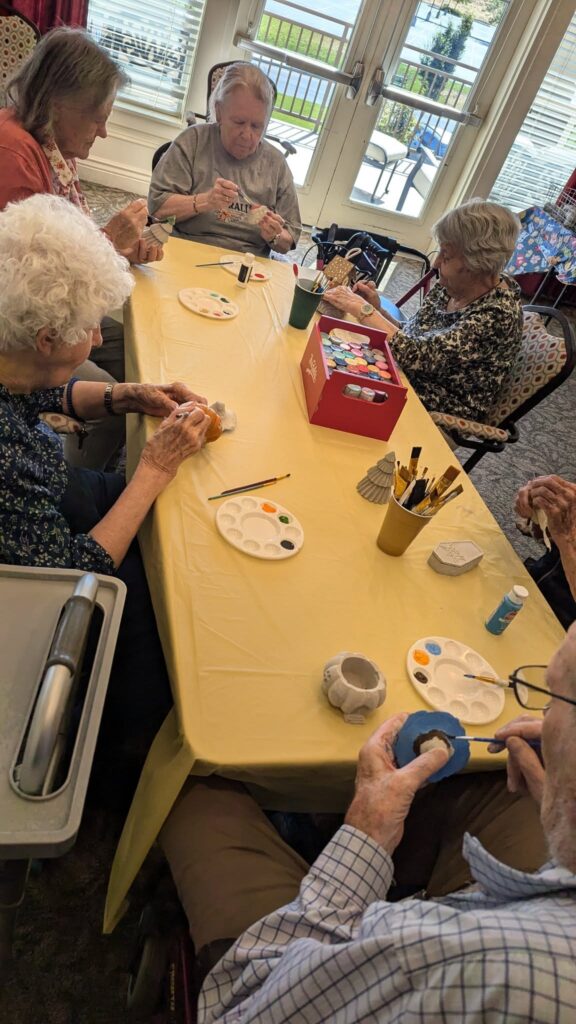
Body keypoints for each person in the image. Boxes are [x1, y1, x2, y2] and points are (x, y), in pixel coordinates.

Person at [159, 629, 576, 1021]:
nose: (541, 719)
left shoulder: (456, 957)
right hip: (475, 917)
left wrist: (366, 833)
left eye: (550, 698)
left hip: (267, 982)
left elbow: (248, 1007)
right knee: (485, 779)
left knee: (193, 784)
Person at [0, 193, 211, 772]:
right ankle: (129, 753)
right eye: (89, 328)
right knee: (163, 598)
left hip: (50, 494)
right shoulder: (6, 458)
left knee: (176, 530)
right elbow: (72, 575)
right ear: (46, 338)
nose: (98, 340)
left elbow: (41, 389)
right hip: (33, 581)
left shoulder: (10, 354)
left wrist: (126, 395)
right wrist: (154, 468)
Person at [0, 27, 164, 470]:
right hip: (24, 343)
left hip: (45, 323)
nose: (105, 132)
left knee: (144, 343)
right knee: (119, 398)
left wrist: (120, 251)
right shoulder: (14, 158)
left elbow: (65, 247)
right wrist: (108, 240)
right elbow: (34, 298)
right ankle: (72, 497)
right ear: (58, 104)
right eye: (98, 118)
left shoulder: (50, 144)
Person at [324, 198, 523, 423]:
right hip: (403, 376)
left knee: (328, 398)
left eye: (446, 256)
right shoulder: (453, 285)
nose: (436, 264)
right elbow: (412, 334)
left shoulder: (496, 316)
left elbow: (417, 356)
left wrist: (365, 310)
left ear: (477, 263)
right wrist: (378, 309)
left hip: (433, 413)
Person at [148, 62, 301, 257]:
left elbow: (289, 240)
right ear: (219, 112)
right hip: (188, 249)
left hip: (247, 262)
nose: (247, 135)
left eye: (256, 127)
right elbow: (158, 208)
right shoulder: (193, 141)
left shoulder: (276, 163)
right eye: (239, 122)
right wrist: (205, 201)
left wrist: (275, 236)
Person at [515, 474, 576, 629]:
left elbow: (565, 539)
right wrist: (537, 512)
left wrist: (567, 540)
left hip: (562, 630)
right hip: (531, 586)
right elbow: (548, 540)